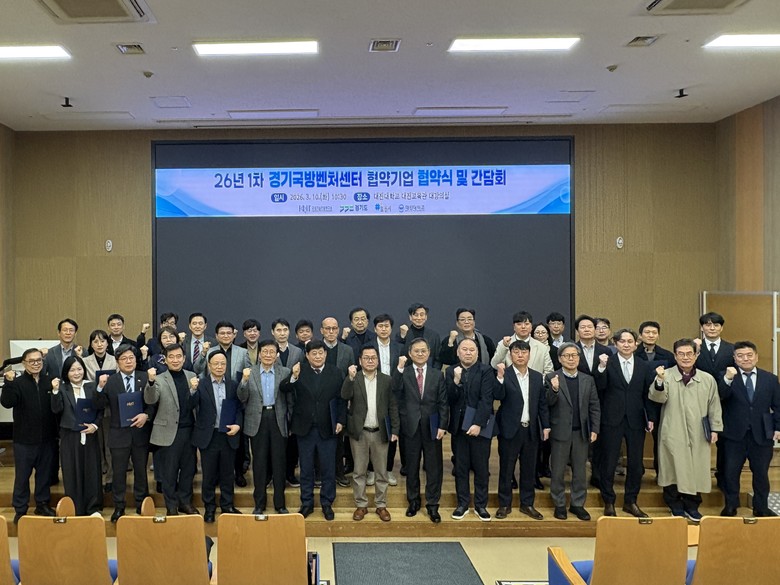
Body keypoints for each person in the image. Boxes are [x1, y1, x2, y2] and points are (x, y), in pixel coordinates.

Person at [649, 338, 723, 522]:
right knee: (672, 468)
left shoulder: (707, 379)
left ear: (696, 355)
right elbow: (657, 397)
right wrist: (659, 381)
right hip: (673, 430)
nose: (685, 357)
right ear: (675, 356)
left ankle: (692, 506)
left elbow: (714, 406)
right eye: (681, 354)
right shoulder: (665, 375)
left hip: (698, 432)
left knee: (696, 468)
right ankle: (675, 505)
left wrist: (715, 428)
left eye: (689, 353)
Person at [594, 328, 656, 518]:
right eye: (622, 341)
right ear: (616, 343)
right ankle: (609, 501)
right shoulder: (607, 363)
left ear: (636, 344)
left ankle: (631, 501)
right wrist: (601, 368)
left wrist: (650, 417)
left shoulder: (643, 365)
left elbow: (648, 394)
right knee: (609, 462)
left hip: (636, 419)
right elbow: (599, 387)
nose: (626, 345)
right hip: (611, 418)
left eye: (630, 342)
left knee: (636, 464)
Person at [281, 340, 346, 521]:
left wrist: (341, 420)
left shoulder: (335, 372)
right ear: (307, 355)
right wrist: (293, 376)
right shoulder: (299, 370)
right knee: (306, 468)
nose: (318, 356)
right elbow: (284, 388)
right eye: (314, 353)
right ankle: (307, 503)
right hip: (305, 429)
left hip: (328, 427)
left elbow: (341, 399)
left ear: (325, 354)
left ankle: (327, 503)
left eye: (321, 353)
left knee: (328, 468)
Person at [719, 341, 780, 517]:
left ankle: (761, 507)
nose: (745, 359)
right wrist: (727, 379)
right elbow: (720, 397)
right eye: (740, 356)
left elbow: (778, 406)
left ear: (756, 357)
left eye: (749, 355)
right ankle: (731, 505)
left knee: (761, 474)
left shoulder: (770, 379)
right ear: (734, 358)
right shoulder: (726, 376)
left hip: (762, 434)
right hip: (733, 434)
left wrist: (778, 427)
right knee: (731, 472)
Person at [94, 344, 154, 522]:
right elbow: (99, 405)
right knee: (118, 473)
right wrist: (99, 387)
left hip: (140, 433)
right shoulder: (110, 381)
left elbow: (153, 403)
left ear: (136, 360)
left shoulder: (145, 377)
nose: (128, 361)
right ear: (117, 362)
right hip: (118, 434)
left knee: (141, 472)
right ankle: (119, 506)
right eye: (124, 359)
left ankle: (141, 504)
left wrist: (146, 415)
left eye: (131, 358)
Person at [392, 338, 449, 523]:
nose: (420, 354)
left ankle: (433, 504)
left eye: (423, 350)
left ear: (429, 353)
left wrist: (442, 425)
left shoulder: (437, 374)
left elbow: (443, 402)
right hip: (410, 426)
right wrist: (399, 368)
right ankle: (413, 501)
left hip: (432, 427)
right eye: (416, 351)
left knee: (434, 468)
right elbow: (394, 390)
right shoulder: (404, 372)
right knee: (411, 466)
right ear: (410, 353)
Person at [341, 345, 399, 522]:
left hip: (380, 432)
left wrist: (395, 430)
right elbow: (344, 396)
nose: (370, 360)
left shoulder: (386, 380)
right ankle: (361, 505)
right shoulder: (355, 378)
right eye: (366, 358)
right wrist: (350, 378)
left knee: (381, 472)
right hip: (359, 432)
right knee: (359, 471)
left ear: (378, 360)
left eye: (373, 357)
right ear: (360, 361)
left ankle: (381, 505)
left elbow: (393, 406)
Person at [494, 340, 550, 520]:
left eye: (524, 352)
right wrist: (500, 378)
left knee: (529, 469)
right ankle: (504, 504)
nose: (520, 355)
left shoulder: (537, 376)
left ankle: (527, 504)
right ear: (510, 354)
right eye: (516, 352)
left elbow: (542, 404)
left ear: (529, 355)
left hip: (531, 429)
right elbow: (497, 395)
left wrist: (546, 425)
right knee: (506, 469)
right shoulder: (505, 374)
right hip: (510, 429)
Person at [1, 349, 58, 523]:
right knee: (22, 477)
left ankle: (42, 504)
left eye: (38, 360)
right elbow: (7, 403)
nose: (36, 364)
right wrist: (8, 383)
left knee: (44, 475)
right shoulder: (17, 383)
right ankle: (20, 509)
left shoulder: (49, 381)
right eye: (31, 361)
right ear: (24, 363)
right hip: (24, 440)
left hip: (47, 439)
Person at [546, 342, 600, 521]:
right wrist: (554, 389)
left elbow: (594, 406)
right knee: (558, 470)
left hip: (581, 432)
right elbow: (547, 403)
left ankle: (577, 504)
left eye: (574, 355)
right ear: (560, 359)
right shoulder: (552, 377)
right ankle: (559, 504)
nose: (571, 359)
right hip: (560, 431)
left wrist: (595, 428)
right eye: (567, 356)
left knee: (580, 471)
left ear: (579, 358)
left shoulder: (588, 379)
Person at [237, 339, 293, 514]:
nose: (268, 355)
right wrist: (244, 381)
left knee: (279, 463)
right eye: (265, 352)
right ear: (259, 354)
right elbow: (242, 397)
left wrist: (290, 423)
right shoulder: (250, 372)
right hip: (257, 421)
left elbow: (290, 400)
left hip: (278, 419)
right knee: (259, 464)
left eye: (272, 352)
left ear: (277, 355)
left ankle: (280, 504)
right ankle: (259, 504)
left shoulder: (285, 372)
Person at [143, 343, 199, 516]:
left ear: (184, 358)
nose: (175, 360)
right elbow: (150, 399)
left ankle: (185, 502)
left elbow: (196, 403)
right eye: (171, 357)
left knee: (189, 470)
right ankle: (171, 506)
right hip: (168, 432)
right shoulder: (159, 379)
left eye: (179, 356)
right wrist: (150, 382)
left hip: (189, 431)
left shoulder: (192, 376)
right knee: (169, 472)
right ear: (165, 360)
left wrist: (194, 391)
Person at [190, 350, 243, 523]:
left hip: (228, 434)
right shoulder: (201, 384)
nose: (219, 367)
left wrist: (238, 425)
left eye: (223, 364)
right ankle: (210, 508)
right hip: (209, 435)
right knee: (209, 475)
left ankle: (227, 505)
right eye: (216, 363)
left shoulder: (233, 385)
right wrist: (192, 390)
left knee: (228, 474)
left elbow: (240, 408)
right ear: (209, 365)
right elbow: (190, 405)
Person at [445, 338, 495, 521]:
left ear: (477, 352)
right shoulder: (451, 371)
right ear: (458, 352)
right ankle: (462, 504)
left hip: (480, 427)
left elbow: (486, 399)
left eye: (471, 350)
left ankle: (481, 505)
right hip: (459, 427)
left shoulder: (486, 370)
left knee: (481, 468)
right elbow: (449, 399)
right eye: (464, 349)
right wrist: (456, 381)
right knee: (461, 467)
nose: (468, 353)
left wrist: (478, 423)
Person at [51, 355, 102, 516]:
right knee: (72, 471)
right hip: (70, 436)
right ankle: (75, 508)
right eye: (72, 370)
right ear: (66, 372)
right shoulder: (62, 388)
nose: (76, 373)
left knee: (91, 470)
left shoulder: (92, 386)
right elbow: (56, 409)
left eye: (79, 369)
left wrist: (95, 425)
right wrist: (55, 391)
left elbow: (100, 409)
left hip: (90, 434)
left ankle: (92, 508)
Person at [320, 316, 355, 486]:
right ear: (322, 331)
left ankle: (339, 473)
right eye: (327, 328)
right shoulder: (316, 349)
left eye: (334, 328)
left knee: (339, 439)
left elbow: (351, 376)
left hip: (340, 400)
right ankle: (321, 473)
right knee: (320, 439)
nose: (331, 331)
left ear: (339, 330)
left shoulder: (347, 350)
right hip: (319, 400)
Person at [82, 329, 118, 493]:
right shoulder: (84, 361)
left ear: (107, 343)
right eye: (95, 341)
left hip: (110, 407)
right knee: (95, 445)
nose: (99, 344)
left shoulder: (115, 360)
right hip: (92, 406)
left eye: (102, 341)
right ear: (91, 344)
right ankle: (97, 476)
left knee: (109, 444)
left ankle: (110, 478)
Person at [372, 313, 405, 485]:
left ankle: (389, 469)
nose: (384, 329)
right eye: (380, 326)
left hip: (394, 393)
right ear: (375, 329)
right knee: (372, 431)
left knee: (392, 430)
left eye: (387, 326)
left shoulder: (400, 347)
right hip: (373, 391)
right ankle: (372, 470)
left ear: (391, 328)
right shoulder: (368, 347)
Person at [270, 318, 303, 487]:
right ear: (272, 332)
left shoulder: (298, 352)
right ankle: (273, 475)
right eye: (278, 330)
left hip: (293, 400)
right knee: (275, 441)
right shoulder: (268, 350)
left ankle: (290, 473)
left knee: (292, 441)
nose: (282, 333)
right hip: (274, 399)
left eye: (285, 330)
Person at [491, 311, 553, 376]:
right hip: (511, 382)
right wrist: (504, 347)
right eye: (519, 324)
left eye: (526, 324)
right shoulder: (504, 344)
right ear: (514, 327)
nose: (523, 327)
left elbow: (549, 372)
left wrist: (538, 381)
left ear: (531, 326)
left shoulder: (542, 347)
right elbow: (495, 365)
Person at [395, 303, 442, 368]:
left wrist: (434, 373)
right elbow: (398, 355)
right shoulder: (402, 335)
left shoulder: (434, 336)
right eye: (416, 315)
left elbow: (438, 359)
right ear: (410, 317)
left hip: (429, 372)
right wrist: (402, 337)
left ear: (426, 317)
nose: (419, 318)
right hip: (408, 372)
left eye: (422, 315)